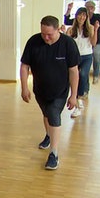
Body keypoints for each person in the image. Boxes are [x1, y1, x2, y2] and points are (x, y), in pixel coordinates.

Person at [20, 16, 80, 170]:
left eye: (49, 34)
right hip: (40, 90)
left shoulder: (68, 44)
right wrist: (24, 87)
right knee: (47, 115)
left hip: (60, 90)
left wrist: (73, 95)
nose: (45, 37)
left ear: (58, 29)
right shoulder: (33, 42)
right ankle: (49, 135)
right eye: (43, 34)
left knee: (53, 114)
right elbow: (25, 66)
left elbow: (73, 71)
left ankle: (54, 154)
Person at [64, 0, 100, 84]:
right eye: (87, 7)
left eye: (91, 7)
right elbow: (67, 21)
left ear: (94, 9)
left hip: (96, 42)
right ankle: (83, 86)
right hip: (83, 45)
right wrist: (69, 9)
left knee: (96, 55)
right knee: (83, 71)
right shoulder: (81, 17)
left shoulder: (99, 18)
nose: (89, 9)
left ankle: (96, 75)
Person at [67, 7, 98, 118]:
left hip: (87, 56)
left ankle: (79, 98)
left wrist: (96, 30)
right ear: (76, 16)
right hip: (75, 57)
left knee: (83, 74)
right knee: (73, 77)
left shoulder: (90, 28)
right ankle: (75, 100)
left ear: (86, 17)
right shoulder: (71, 29)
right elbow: (67, 42)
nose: (82, 17)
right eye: (80, 15)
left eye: (84, 15)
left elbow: (94, 43)